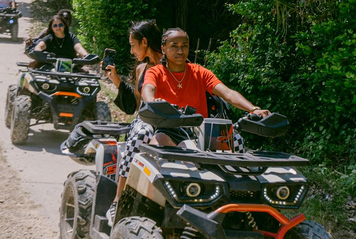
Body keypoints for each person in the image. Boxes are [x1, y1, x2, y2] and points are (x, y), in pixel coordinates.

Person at [107, 27, 269, 224]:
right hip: (165, 124)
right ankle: (118, 199)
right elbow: (148, 90)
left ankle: (242, 202)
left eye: (184, 46)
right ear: (163, 48)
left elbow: (227, 93)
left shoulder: (200, 72)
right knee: (140, 137)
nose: (180, 51)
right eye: (174, 46)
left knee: (233, 137)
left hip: (196, 129)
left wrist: (253, 109)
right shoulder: (155, 71)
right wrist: (154, 103)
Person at [102, 21, 162, 219]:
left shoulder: (170, 65)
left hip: (169, 121)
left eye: (132, 45)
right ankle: (118, 200)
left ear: (144, 42)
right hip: (145, 121)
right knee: (140, 135)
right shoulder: (141, 69)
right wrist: (116, 81)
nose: (130, 51)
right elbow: (136, 105)